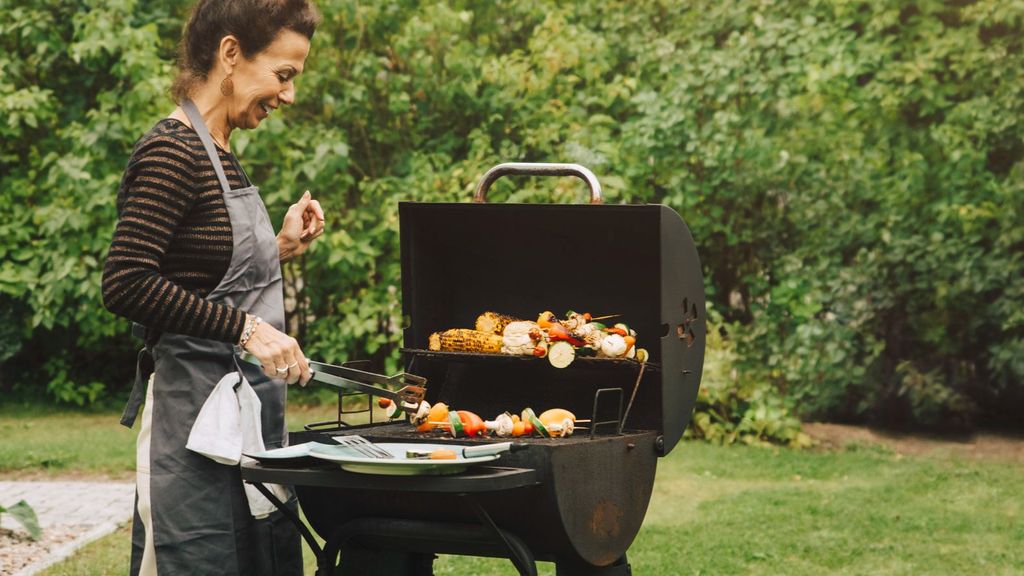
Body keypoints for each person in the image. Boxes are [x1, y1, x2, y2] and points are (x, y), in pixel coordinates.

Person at [101, 1, 323, 574]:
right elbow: (127, 282)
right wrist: (248, 329)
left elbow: (200, 277)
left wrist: (279, 248)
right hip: (192, 427)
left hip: (243, 419)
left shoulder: (220, 153)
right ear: (230, 54)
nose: (289, 95)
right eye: (283, 75)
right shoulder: (173, 150)